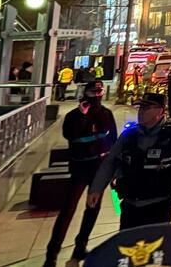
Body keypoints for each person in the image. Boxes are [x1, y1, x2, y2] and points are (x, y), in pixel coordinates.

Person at [87, 92, 171, 231]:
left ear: (160, 111)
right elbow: (110, 162)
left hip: (159, 205)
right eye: (140, 108)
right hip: (130, 203)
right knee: (127, 240)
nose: (141, 112)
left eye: (147, 108)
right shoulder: (129, 134)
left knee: (154, 242)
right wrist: (96, 189)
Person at [43, 81, 117, 267]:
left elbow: (113, 141)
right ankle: (52, 254)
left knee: (93, 208)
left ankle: (80, 246)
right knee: (68, 209)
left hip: (99, 167)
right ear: (86, 93)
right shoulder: (73, 116)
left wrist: (114, 169)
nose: (97, 95)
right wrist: (82, 116)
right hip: (80, 167)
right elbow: (71, 135)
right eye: (94, 92)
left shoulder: (106, 114)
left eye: (100, 91)